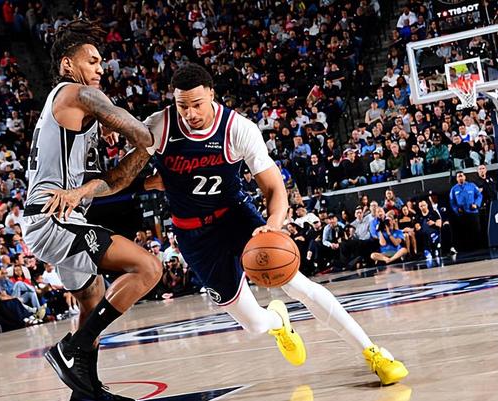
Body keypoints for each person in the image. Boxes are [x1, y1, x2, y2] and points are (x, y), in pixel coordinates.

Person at [139, 64, 407, 384]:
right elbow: (131, 174)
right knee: (253, 326)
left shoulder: (237, 128)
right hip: (193, 233)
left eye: (196, 104)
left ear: (211, 94)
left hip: (235, 217)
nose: (190, 113)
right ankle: (279, 323)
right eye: (182, 106)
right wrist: (155, 180)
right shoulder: (159, 126)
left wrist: (274, 224)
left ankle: (373, 352)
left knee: (297, 284)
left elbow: (274, 188)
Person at [21, 19, 162, 401]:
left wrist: (142, 163)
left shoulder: (80, 117)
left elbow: (111, 182)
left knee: (93, 298)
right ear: (68, 65)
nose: (101, 68)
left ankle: (86, 393)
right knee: (149, 268)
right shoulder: (74, 93)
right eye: (93, 61)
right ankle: (72, 349)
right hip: (53, 216)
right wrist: (154, 130)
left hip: (62, 215)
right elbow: (143, 134)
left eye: (101, 62)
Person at [449, 171, 482, 252]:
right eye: (458, 176)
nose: (460, 177)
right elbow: (452, 202)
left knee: (476, 231)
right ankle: (467, 250)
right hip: (462, 214)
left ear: (464, 177)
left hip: (473, 212)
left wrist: (476, 204)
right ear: (456, 179)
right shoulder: (454, 189)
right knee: (465, 232)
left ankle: (479, 249)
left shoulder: (472, 185)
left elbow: (479, 195)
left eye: (461, 176)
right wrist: (457, 209)